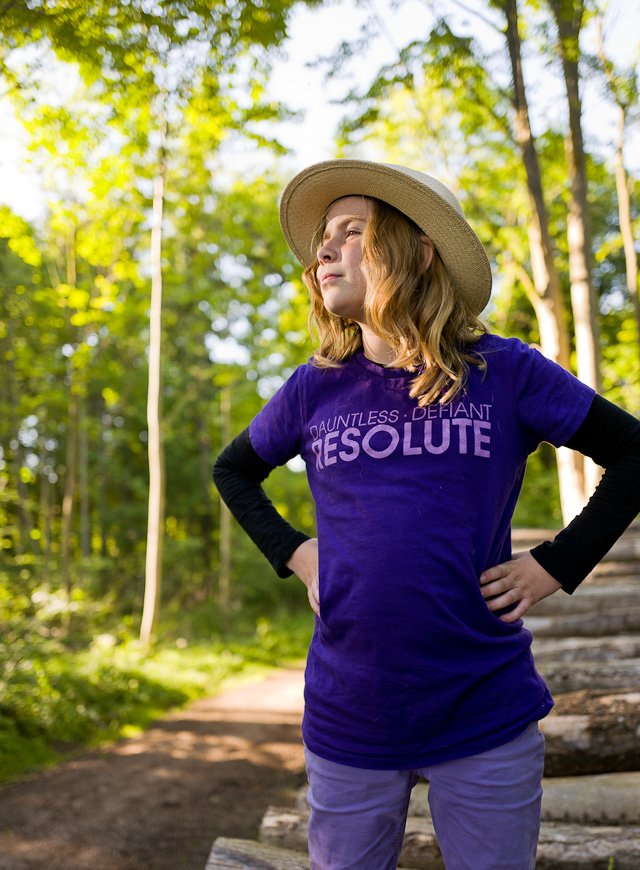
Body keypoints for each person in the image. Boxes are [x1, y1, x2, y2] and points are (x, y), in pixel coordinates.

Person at [213, 159, 640, 870]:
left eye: (353, 232)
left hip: (483, 707)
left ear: (417, 249)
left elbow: (632, 451)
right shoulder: (313, 387)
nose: (324, 249)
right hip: (350, 713)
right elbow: (234, 470)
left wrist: (556, 564)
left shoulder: (505, 371)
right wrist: (296, 550)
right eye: (323, 236)